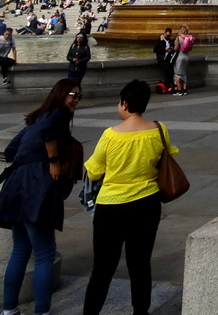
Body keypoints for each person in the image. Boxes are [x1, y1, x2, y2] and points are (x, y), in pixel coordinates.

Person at [82, 80, 179, 315]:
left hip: (111, 207)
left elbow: (94, 170)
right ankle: (140, 312)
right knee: (140, 264)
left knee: (102, 269)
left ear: (124, 104)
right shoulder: (158, 129)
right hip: (147, 203)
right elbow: (167, 156)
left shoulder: (111, 135)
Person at [0, 78, 81, 315]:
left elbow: (10, 151)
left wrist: (29, 158)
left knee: (20, 250)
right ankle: (42, 311)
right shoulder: (59, 114)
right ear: (60, 94)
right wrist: (53, 162)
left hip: (15, 186)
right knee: (45, 253)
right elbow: (48, 134)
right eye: (71, 94)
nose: (75, 99)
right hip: (38, 187)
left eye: (78, 96)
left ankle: (9, 310)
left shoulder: (36, 118)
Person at [173, 25, 194, 96]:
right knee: (184, 73)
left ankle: (179, 90)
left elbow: (176, 48)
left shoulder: (178, 38)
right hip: (186, 57)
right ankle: (185, 90)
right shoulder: (189, 38)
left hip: (180, 57)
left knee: (177, 74)